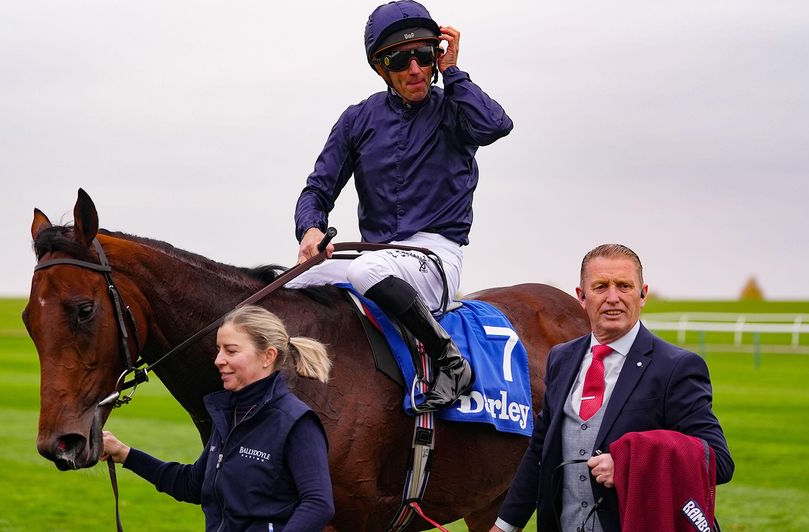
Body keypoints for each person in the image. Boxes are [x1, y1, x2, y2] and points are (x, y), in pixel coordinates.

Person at [287, 0, 513, 412]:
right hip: (378, 254)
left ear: (436, 57)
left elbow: (496, 125)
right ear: (381, 68)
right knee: (289, 284)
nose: (415, 69)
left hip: (435, 255)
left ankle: (450, 360)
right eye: (401, 59)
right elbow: (317, 191)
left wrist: (453, 72)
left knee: (365, 269)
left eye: (424, 56)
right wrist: (311, 230)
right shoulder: (357, 119)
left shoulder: (455, 109)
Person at [491, 244, 734, 532]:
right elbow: (541, 451)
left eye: (624, 286)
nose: (613, 298)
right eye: (600, 287)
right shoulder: (561, 358)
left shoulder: (677, 367)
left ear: (642, 294)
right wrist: (505, 526)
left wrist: (630, 465)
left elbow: (717, 461)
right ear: (582, 297)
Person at [101, 305, 334, 532]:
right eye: (219, 349)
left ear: (267, 356)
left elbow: (318, 504)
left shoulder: (296, 421)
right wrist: (124, 454)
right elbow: (190, 484)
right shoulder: (230, 414)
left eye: (231, 351)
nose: (218, 360)